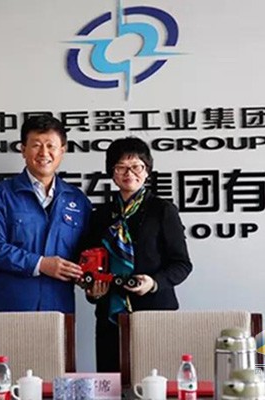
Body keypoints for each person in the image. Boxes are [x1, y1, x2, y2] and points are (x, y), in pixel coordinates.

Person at [84, 137, 193, 372]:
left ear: (147, 170)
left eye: (136, 166)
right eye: (121, 167)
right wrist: (92, 291)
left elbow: (182, 264)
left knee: (156, 380)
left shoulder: (163, 210)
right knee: (112, 381)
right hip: (110, 314)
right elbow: (88, 260)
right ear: (111, 172)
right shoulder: (100, 215)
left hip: (155, 313)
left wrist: (153, 283)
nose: (129, 173)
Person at [0, 115, 91, 313]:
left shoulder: (77, 200)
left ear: (62, 150)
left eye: (51, 146)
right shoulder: (0, 196)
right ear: (23, 149)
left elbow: (86, 251)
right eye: (36, 145)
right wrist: (40, 264)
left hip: (58, 307)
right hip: (10, 307)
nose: (44, 153)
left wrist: (90, 278)